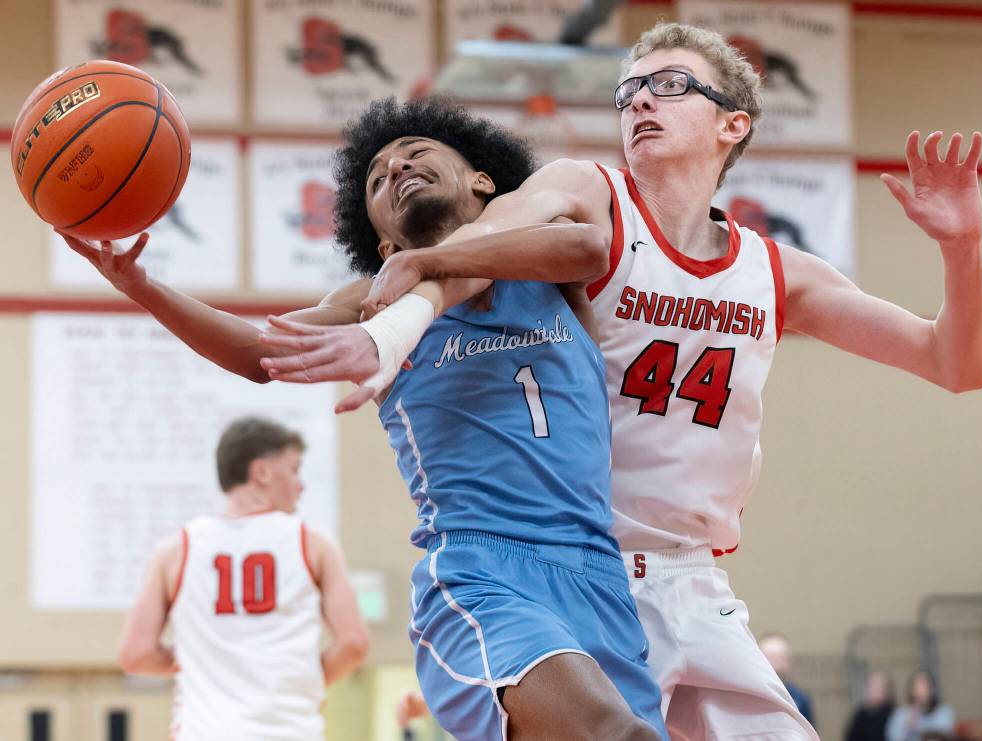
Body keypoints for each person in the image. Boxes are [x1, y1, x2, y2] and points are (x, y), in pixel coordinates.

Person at [267, 21, 982, 741]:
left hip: (695, 580)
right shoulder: (585, 193)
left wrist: (963, 250)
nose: (642, 101)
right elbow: (479, 243)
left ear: (731, 124)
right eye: (629, 91)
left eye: (670, 85)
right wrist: (403, 302)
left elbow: (955, 363)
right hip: (577, 572)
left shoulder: (777, 272)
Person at [68, 97, 665, 740]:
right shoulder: (372, 301)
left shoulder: (547, 264)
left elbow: (587, 245)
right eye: (377, 178)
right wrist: (144, 288)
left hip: (595, 570)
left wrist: (434, 262)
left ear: (484, 181)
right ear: (382, 240)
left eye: (416, 154)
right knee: (614, 732)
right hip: (480, 572)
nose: (397, 169)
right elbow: (258, 353)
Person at [117, 416, 369, 741]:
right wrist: (298, 680)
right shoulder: (313, 544)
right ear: (262, 472)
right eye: (294, 469)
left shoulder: (175, 550)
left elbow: (135, 654)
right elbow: (354, 644)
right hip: (292, 732)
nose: (300, 485)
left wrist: (204, 665)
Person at [759, 633, 815, 727]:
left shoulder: (800, 698)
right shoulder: (749, 695)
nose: (776, 664)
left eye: (781, 657)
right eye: (771, 657)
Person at [886, 670, 955, 741]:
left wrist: (920, 726)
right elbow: (893, 737)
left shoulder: (943, 711)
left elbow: (946, 734)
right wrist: (907, 727)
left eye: (926, 685)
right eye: (918, 685)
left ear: (933, 689)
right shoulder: (901, 714)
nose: (923, 689)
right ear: (911, 690)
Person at [846, 670, 897, 741]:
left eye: (874, 687)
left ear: (885, 691)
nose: (869, 690)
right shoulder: (861, 714)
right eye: (868, 686)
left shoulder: (893, 715)